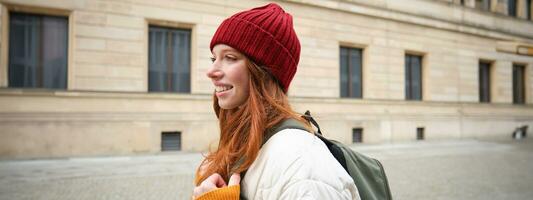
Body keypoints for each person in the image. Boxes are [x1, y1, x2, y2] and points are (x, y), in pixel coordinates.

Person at [193, 3, 360, 200]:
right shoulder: (248, 143)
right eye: (213, 58)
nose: (211, 71)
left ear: (265, 73)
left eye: (230, 57)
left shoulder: (302, 165)